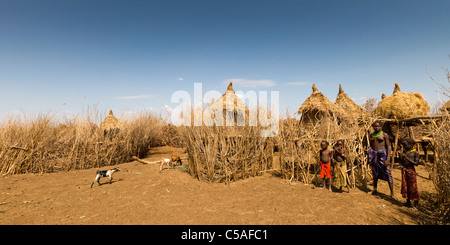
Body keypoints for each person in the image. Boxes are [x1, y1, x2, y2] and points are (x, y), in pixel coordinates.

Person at [368, 122, 395, 199]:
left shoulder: (384, 135)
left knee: (388, 172)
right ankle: (375, 189)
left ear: (381, 126)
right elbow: (371, 146)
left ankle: (392, 193)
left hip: (382, 155)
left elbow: (388, 147)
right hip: (374, 155)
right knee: (375, 172)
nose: (377, 127)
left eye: (378, 126)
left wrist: (388, 159)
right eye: (375, 126)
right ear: (373, 127)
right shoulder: (371, 135)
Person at [399, 138, 420, 209]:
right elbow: (401, 162)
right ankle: (408, 202)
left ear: (411, 145)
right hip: (404, 170)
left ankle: (416, 203)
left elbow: (416, 163)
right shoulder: (405, 152)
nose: (404, 146)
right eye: (403, 145)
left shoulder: (415, 153)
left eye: (405, 145)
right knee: (406, 186)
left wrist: (406, 158)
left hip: (411, 170)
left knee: (413, 186)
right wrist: (401, 157)